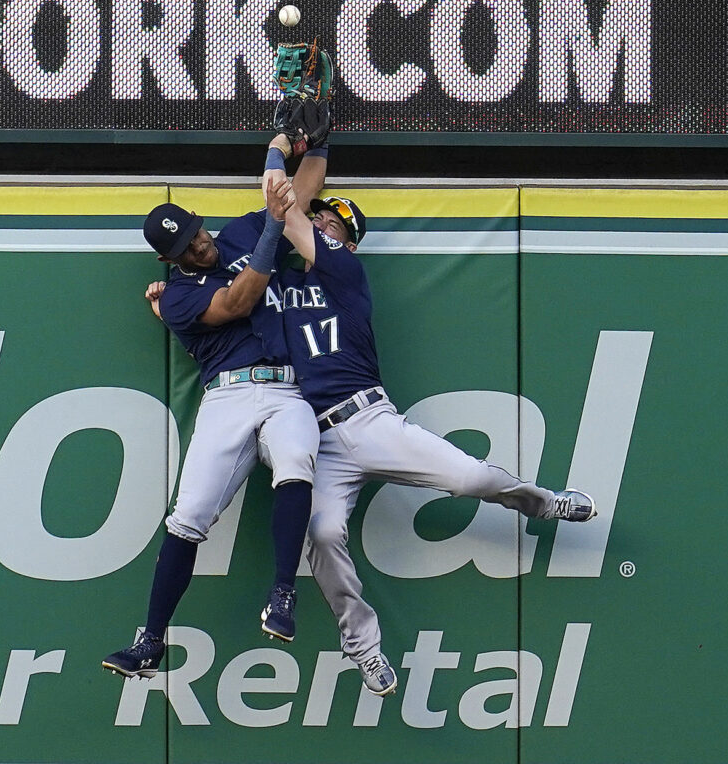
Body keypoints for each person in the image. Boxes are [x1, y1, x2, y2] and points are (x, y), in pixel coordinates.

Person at [262, 139, 597, 697]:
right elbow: (265, 233)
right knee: (320, 533)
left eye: (334, 222)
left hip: (368, 418)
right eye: (323, 215)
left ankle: (542, 503)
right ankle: (363, 648)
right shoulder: (275, 280)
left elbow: (286, 208)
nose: (325, 222)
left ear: (345, 239)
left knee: (470, 477)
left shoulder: (344, 270)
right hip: (311, 438)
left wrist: (283, 149)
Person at [101, 154, 319, 679]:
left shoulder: (244, 229)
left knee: (296, 459)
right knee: (188, 516)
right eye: (187, 247)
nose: (200, 245)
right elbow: (240, 302)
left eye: (197, 233)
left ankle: (283, 596)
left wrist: (314, 145)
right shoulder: (176, 296)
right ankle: (151, 641)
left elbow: (304, 196)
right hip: (227, 397)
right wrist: (271, 225)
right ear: (168, 260)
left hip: (287, 389)